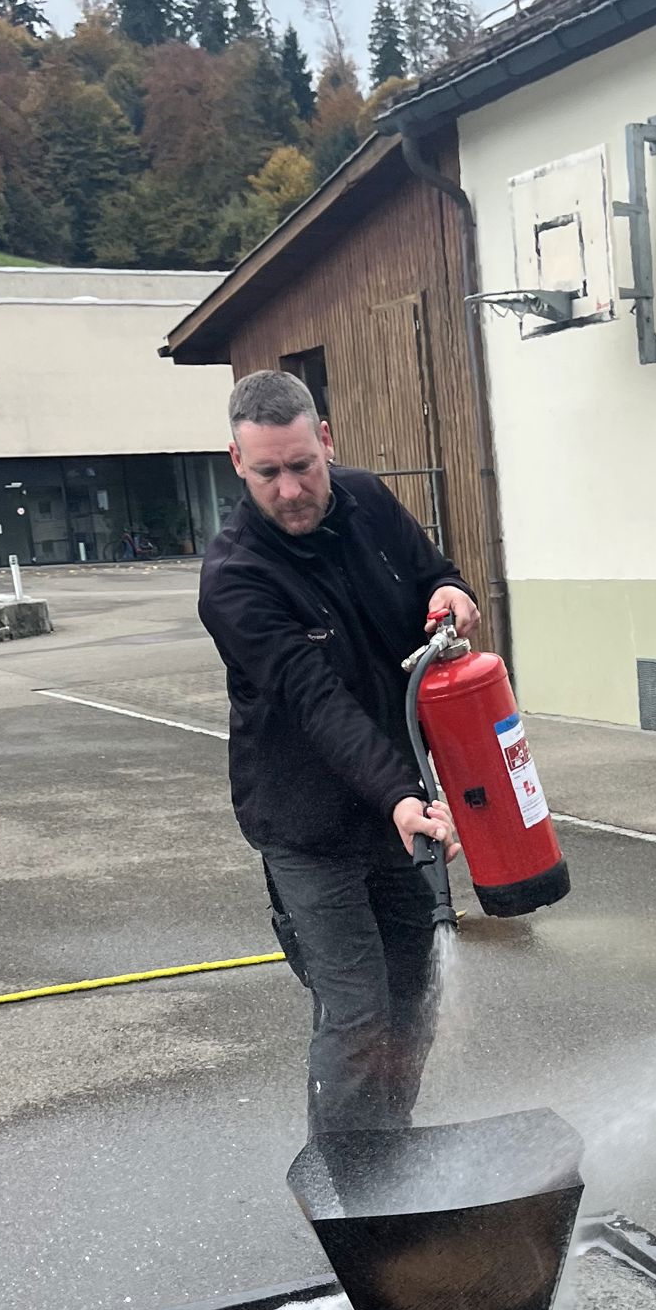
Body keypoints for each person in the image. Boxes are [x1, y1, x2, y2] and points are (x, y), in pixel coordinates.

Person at [198, 368, 476, 1137]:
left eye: (302, 465)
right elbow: (317, 701)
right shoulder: (234, 580)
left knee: (413, 997)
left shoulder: (369, 501)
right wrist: (402, 797)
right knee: (357, 1015)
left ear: (326, 440)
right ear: (237, 462)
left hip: (396, 812)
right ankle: (349, 1187)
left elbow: (434, 574)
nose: (290, 490)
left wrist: (452, 592)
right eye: (268, 473)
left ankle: (390, 1155)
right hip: (307, 826)